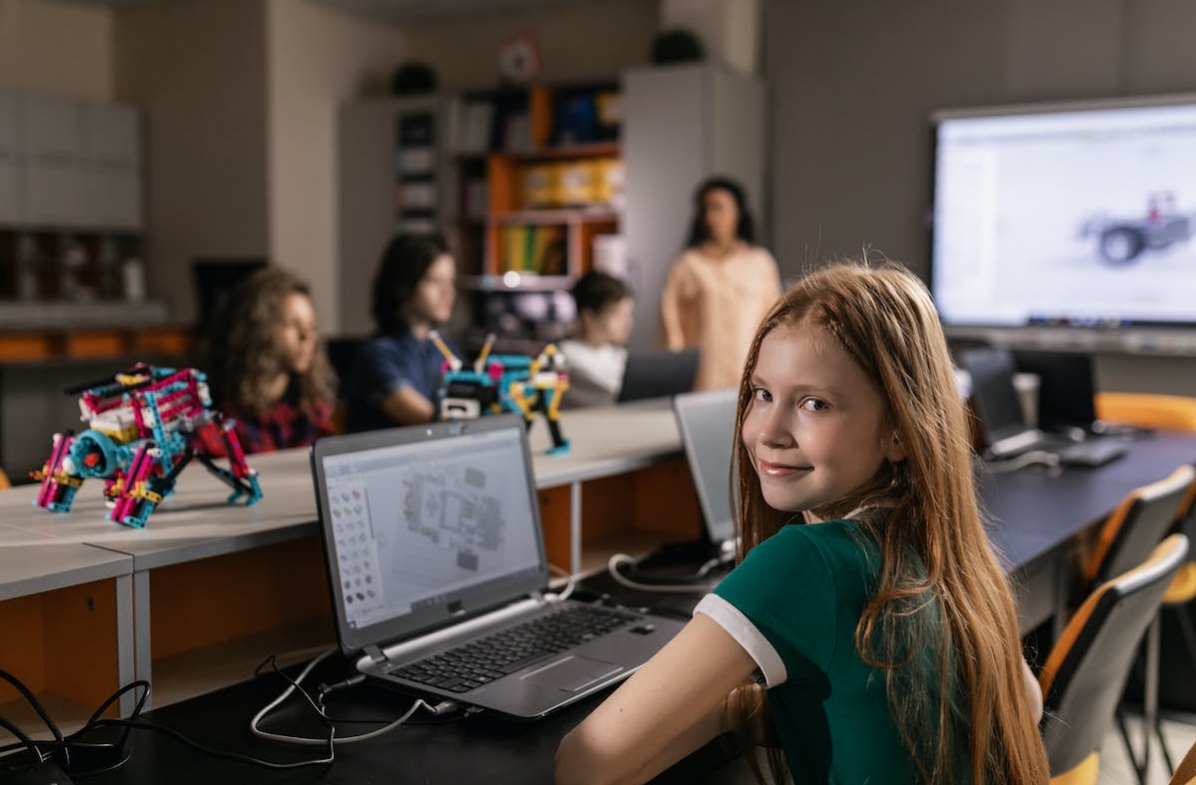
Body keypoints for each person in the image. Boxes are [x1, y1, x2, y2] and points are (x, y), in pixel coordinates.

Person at [556, 262, 1049, 785]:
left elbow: (586, 763)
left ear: (899, 433)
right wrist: (746, 708)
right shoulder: (943, 549)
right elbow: (1031, 703)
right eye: (762, 394)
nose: (769, 431)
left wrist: (730, 709)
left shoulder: (806, 561)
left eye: (815, 404)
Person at [660, 177, 782, 392]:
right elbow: (670, 329)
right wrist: (675, 377)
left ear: (738, 212)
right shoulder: (686, 265)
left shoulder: (761, 263)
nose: (710, 217)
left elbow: (775, 320)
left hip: (752, 377)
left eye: (718, 208)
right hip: (703, 380)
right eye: (705, 209)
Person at [204, 266, 336, 454]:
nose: (306, 335)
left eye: (311, 325)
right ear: (257, 329)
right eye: (292, 324)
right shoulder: (215, 416)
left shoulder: (309, 410)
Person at [346, 233, 457, 432]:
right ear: (403, 285)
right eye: (434, 281)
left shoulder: (444, 349)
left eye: (451, 281)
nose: (448, 292)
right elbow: (429, 420)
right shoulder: (377, 354)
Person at [559, 271, 634, 408]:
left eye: (628, 315)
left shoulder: (618, 354)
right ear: (588, 316)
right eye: (617, 315)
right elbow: (611, 398)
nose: (626, 323)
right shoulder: (565, 359)